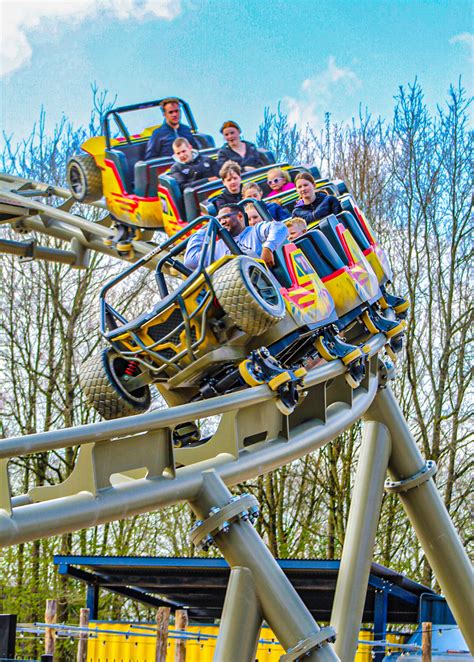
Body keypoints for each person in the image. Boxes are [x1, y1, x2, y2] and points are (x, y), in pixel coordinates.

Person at [184, 203, 288, 270]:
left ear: (240, 216)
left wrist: (268, 248)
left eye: (225, 217)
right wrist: (203, 232)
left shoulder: (255, 231)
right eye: (219, 220)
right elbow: (190, 261)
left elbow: (280, 227)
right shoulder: (217, 247)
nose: (222, 222)